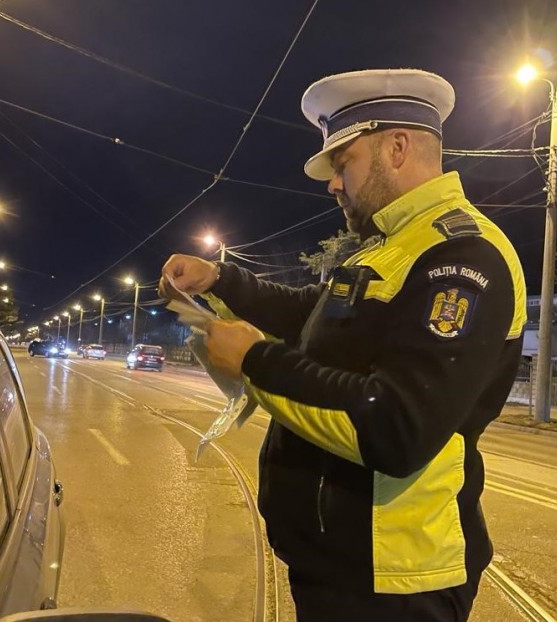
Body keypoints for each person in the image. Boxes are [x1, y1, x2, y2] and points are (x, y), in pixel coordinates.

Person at [160, 69, 527, 621]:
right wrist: (221, 281)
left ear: (397, 148)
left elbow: (397, 427)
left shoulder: (462, 258)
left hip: (394, 583)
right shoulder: (392, 247)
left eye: (343, 163)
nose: (333, 183)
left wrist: (255, 359)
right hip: (344, 565)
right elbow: (317, 315)